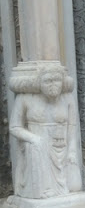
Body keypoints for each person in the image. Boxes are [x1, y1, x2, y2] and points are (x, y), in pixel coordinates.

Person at [9, 66, 81, 198]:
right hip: (38, 149)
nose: (52, 85)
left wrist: (72, 150)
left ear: (63, 82)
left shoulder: (68, 99)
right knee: (36, 146)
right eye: (47, 81)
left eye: (57, 80)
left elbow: (72, 127)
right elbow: (14, 127)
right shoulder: (25, 98)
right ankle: (43, 189)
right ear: (39, 83)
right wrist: (33, 139)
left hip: (61, 149)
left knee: (76, 187)